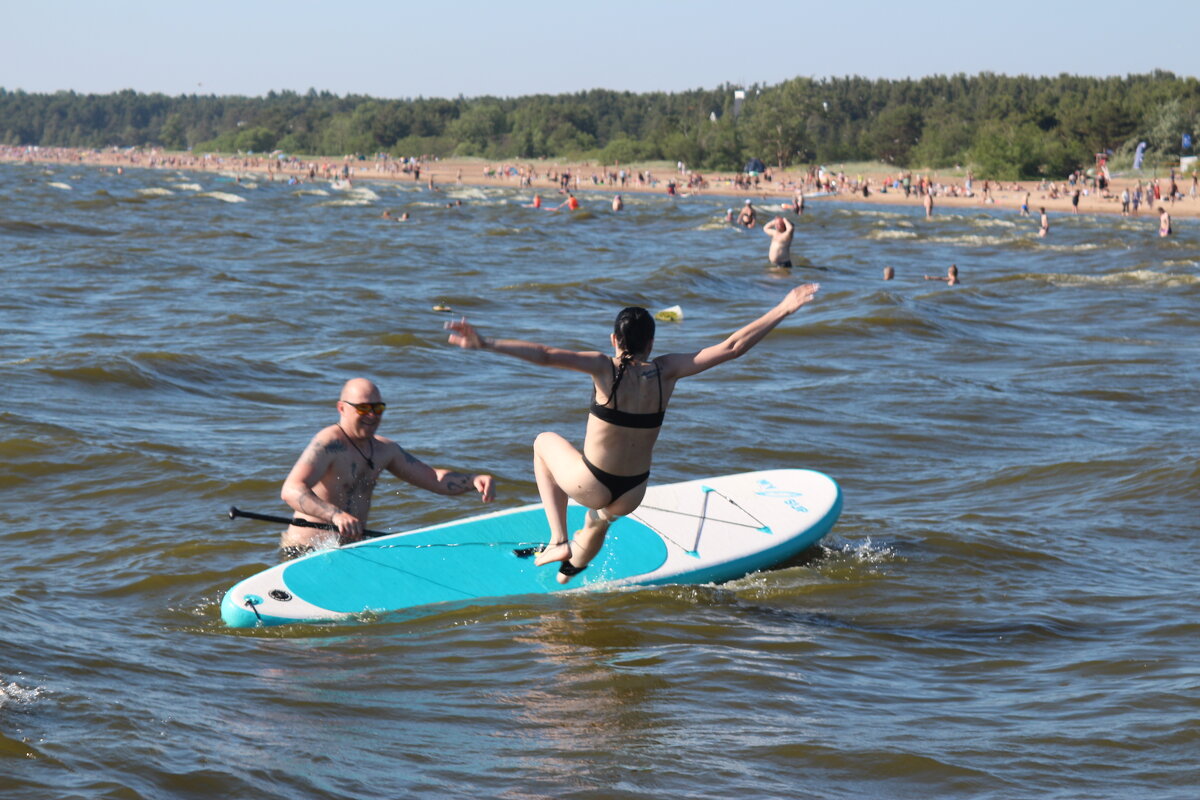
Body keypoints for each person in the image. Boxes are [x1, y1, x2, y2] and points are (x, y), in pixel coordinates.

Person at [444, 284, 821, 583]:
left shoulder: (604, 368)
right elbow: (733, 347)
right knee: (598, 521)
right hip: (633, 492)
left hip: (591, 481)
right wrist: (784, 307)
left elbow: (545, 353)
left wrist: (485, 343)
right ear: (651, 343)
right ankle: (567, 574)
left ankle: (558, 540)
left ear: (613, 340)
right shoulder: (667, 370)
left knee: (543, 442)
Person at [279, 378, 495, 558]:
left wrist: (474, 480)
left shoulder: (385, 450)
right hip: (304, 551)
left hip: (348, 550)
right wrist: (335, 515)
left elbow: (434, 480)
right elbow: (291, 490)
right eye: (363, 408)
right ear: (342, 408)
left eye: (377, 408)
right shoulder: (329, 444)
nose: (372, 415)